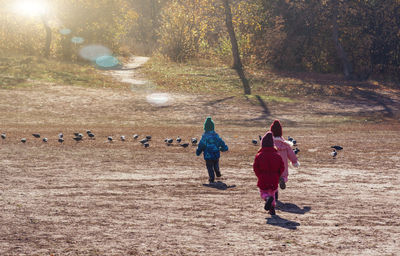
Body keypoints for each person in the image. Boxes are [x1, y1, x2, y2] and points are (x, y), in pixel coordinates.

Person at [253, 131, 284, 215]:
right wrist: (278, 175)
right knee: (272, 193)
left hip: (263, 177)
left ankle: (267, 199)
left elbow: (255, 167)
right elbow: (281, 167)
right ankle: (272, 208)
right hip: (274, 178)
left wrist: (259, 175)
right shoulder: (277, 155)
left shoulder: (259, 155)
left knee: (263, 192)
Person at [270, 119, 300, 199]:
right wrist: (294, 162)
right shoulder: (285, 144)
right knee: (282, 176)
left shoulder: (269, 142)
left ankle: (274, 196)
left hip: (271, 165)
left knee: (272, 179)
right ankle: (282, 179)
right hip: (282, 165)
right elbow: (291, 153)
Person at [196, 117, 228, 183]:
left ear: (205, 127)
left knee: (209, 167)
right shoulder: (216, 136)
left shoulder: (204, 137)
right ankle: (217, 172)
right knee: (216, 164)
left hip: (208, 156)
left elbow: (201, 145)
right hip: (216, 154)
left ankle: (211, 177)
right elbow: (221, 142)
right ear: (213, 127)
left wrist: (198, 151)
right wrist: (224, 148)